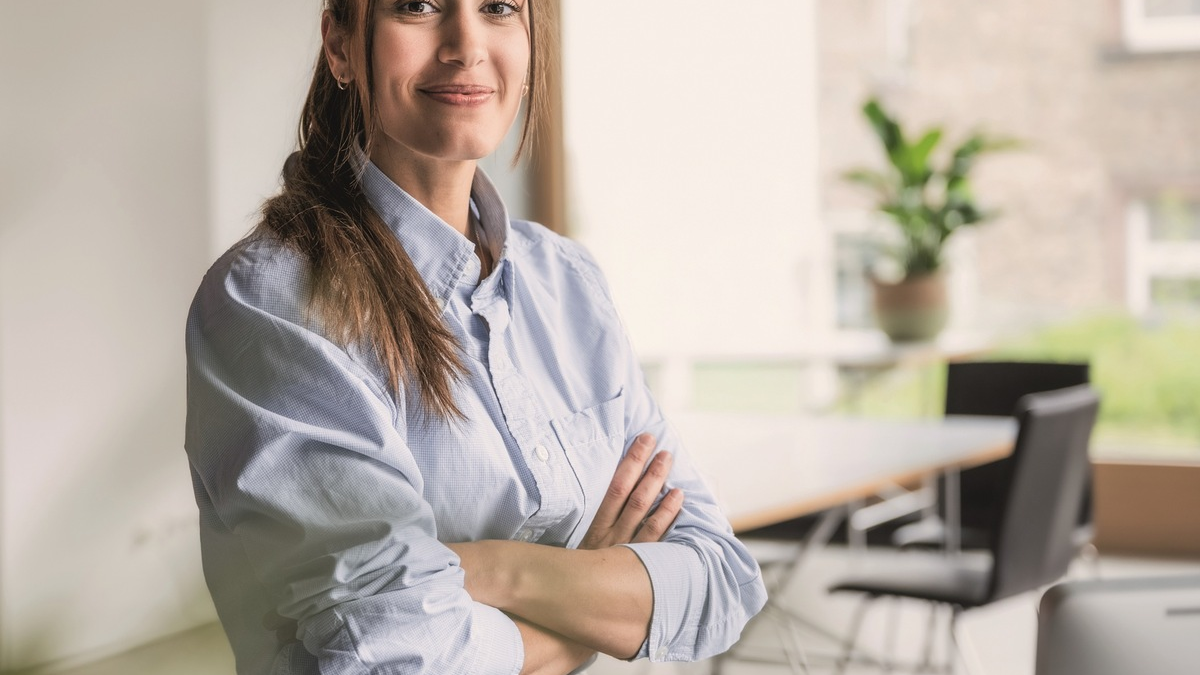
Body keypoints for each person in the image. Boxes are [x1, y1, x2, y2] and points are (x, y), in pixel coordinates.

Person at [184, 1, 766, 673]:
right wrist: (585, 620)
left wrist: (494, 571)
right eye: (416, 5)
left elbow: (720, 578)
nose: (466, 43)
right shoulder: (274, 303)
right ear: (342, 45)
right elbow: (390, 654)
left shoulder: (569, 284)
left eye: (497, 7)